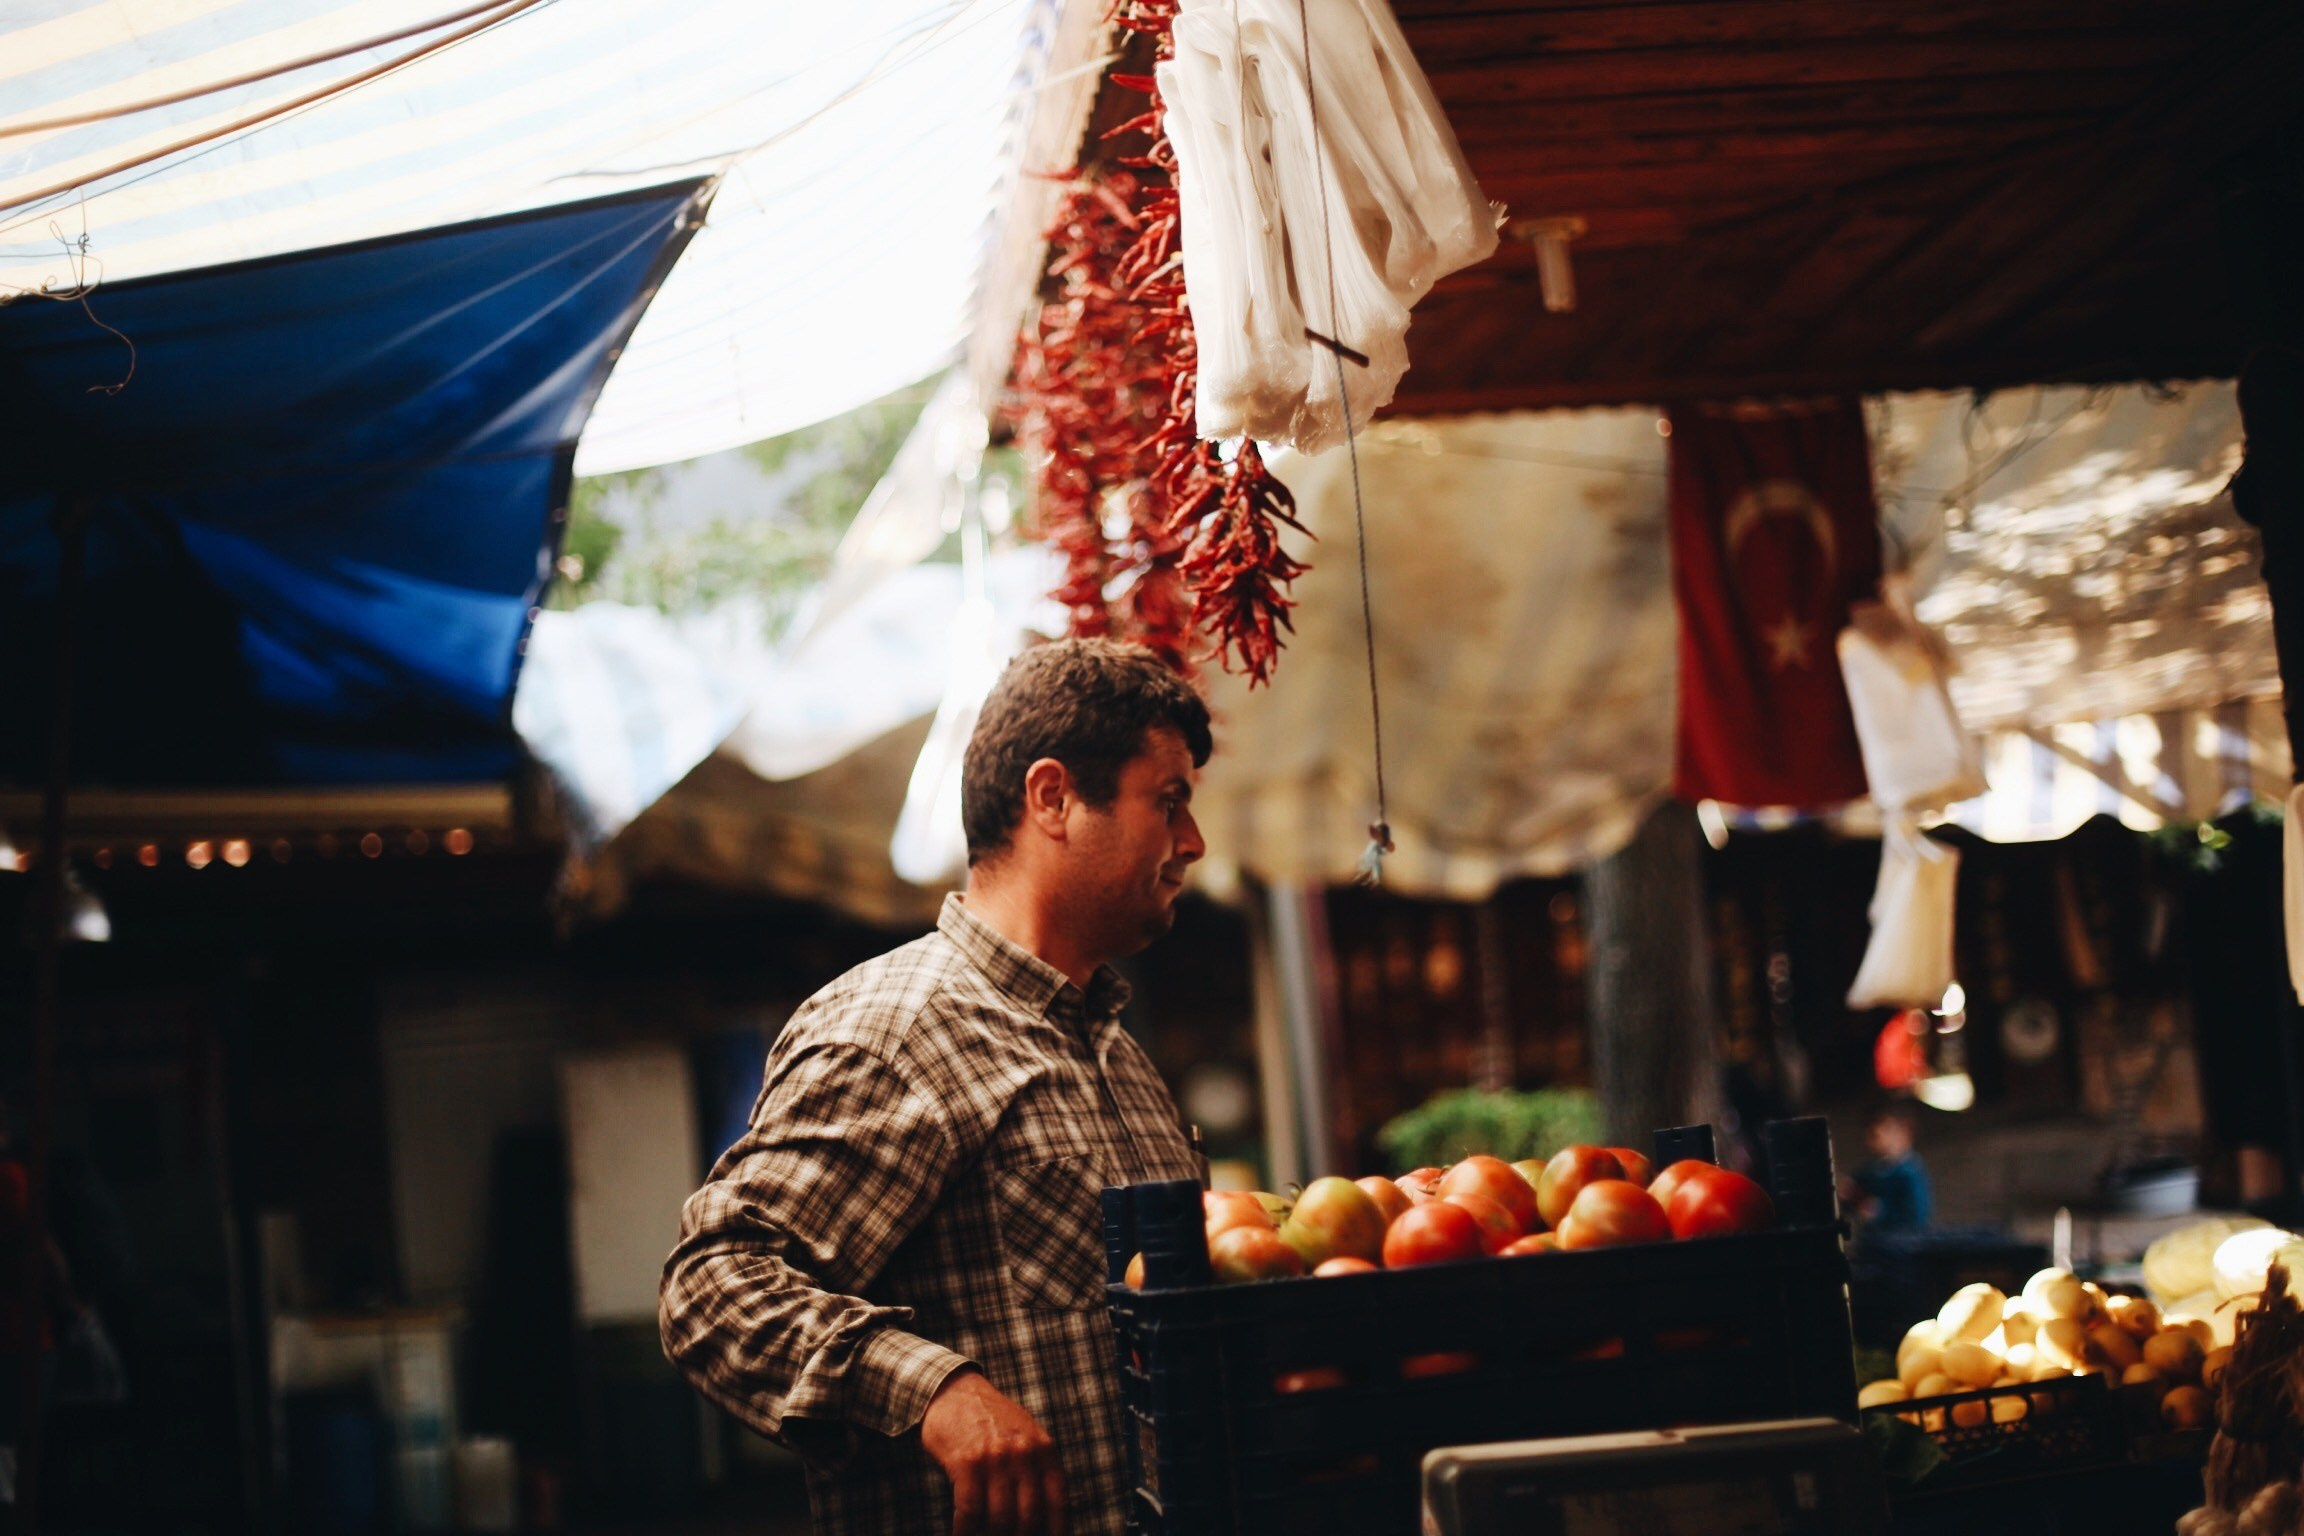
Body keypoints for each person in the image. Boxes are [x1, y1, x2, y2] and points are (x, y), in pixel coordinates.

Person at [660, 639, 1211, 1536]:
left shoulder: (1119, 1054)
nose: (1192, 843)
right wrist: (936, 1391)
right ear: (1053, 798)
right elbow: (713, 1288)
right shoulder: (896, 1030)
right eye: (1170, 800)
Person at [1845, 1100, 1933, 1235]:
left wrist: (1879, 1211)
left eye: (1887, 1129)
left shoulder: (1910, 1173)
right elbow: (1853, 1192)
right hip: (1873, 1239)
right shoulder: (1871, 1171)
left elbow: (1916, 1216)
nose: (1879, 1133)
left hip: (1902, 1241)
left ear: (1905, 1132)